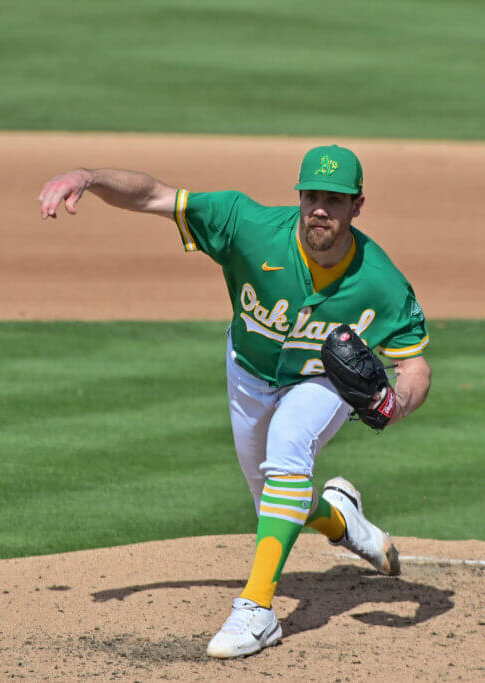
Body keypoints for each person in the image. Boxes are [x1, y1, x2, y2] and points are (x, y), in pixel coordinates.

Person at [38, 145, 432, 659]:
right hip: (248, 374)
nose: (320, 208)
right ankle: (342, 519)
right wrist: (88, 176)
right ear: (299, 196)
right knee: (276, 497)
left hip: (321, 381)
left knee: (289, 444)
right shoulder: (245, 224)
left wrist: (396, 403)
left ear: (357, 205)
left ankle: (257, 610)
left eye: (334, 200)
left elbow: (415, 366)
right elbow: (156, 196)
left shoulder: (378, 281)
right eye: (311, 195)